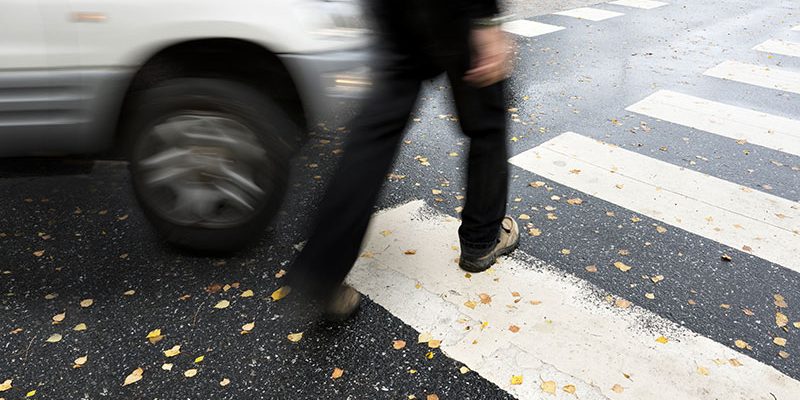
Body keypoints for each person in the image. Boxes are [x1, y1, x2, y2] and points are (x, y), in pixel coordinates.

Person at [288, 0, 519, 321]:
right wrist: (484, 19)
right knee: (486, 123)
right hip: (453, 10)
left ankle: (322, 269)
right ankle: (481, 240)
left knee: (376, 132)